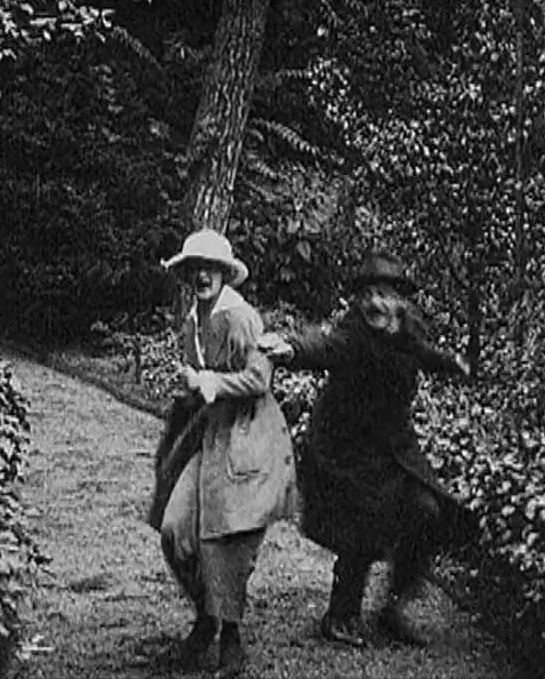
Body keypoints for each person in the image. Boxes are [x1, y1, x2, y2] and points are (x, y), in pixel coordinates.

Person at [260, 251, 478, 649]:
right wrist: (291, 348)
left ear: (401, 301)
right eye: (369, 295)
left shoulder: (408, 330)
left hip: (392, 448)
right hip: (345, 447)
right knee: (361, 523)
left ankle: (393, 607)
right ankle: (340, 615)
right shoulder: (355, 333)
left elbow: (422, 353)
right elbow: (324, 346)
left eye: (385, 295)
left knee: (426, 512)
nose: (376, 303)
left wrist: (455, 364)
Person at [148, 228, 298, 676]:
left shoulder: (240, 317)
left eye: (211, 268)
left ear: (224, 273)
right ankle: (207, 614)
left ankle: (230, 634)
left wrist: (211, 382)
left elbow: (259, 379)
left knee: (228, 533)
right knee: (175, 529)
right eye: (195, 268)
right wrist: (188, 397)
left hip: (248, 432)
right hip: (210, 432)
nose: (202, 276)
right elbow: (195, 383)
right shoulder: (193, 321)